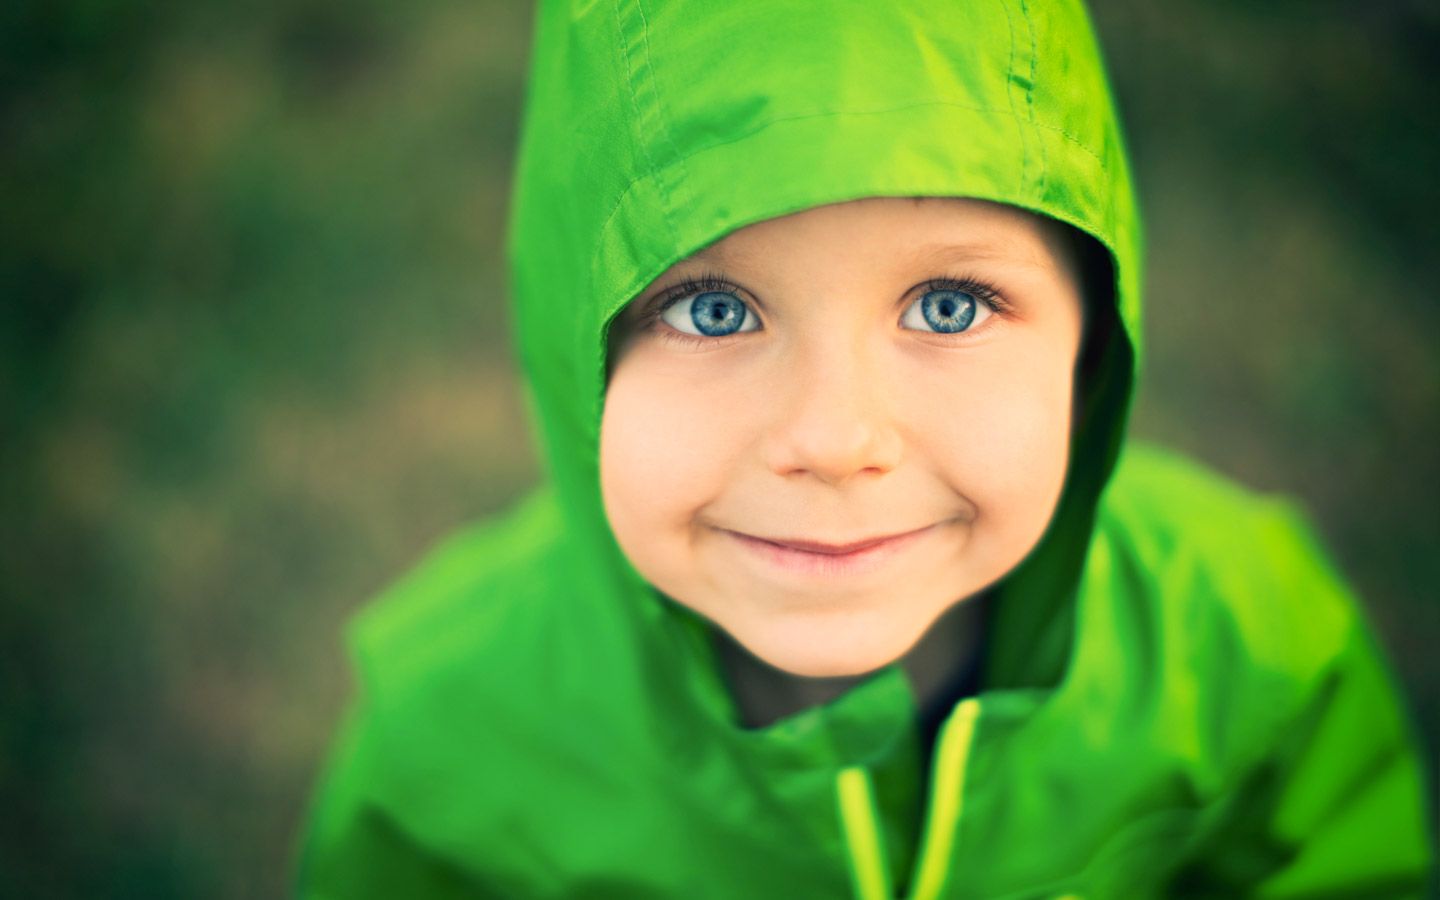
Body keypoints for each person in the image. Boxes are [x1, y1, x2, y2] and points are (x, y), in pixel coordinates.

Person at [294, 0, 1435, 896]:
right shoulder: (447, 747)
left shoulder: (1250, 648)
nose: (834, 441)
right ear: (573, 354)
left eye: (947, 306)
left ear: (1091, 351)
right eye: (712, 311)